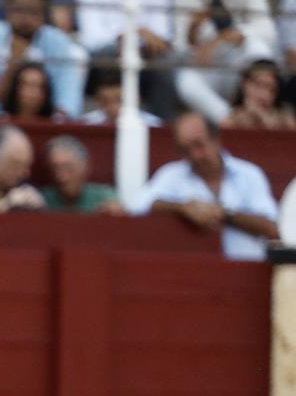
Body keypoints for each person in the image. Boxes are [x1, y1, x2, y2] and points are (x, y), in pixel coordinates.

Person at [132, 110, 278, 259]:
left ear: (216, 140)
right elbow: (138, 205)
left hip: (247, 272)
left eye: (199, 145)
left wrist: (224, 214)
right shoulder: (172, 175)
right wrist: (182, 207)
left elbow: (272, 228)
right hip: (193, 273)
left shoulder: (249, 174)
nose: (195, 155)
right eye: (185, 150)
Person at [173, 0, 276, 123]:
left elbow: (267, 31)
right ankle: (230, 119)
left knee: (258, 48)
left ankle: (257, 112)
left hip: (237, 69)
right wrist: (194, 29)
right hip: (203, 66)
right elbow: (178, 45)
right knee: (185, 82)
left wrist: (223, 38)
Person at [0, 0, 86, 118]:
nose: (25, 18)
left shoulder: (58, 44)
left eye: (33, 12)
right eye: (19, 10)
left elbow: (68, 103)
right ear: (7, 11)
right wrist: (11, 68)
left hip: (45, 123)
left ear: (43, 17)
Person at [40, 135, 122, 211]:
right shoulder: (43, 199)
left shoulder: (103, 196)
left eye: (69, 168)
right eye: (55, 169)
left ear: (85, 168)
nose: (61, 177)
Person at [226, 59, 293, 127]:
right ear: (245, 84)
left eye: (272, 90)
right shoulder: (232, 116)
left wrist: (264, 118)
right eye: (259, 86)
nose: (264, 95)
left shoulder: (285, 118)